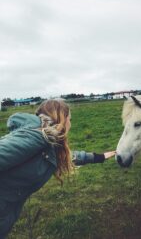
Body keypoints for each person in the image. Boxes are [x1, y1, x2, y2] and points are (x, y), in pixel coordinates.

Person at [0, 100, 115, 238]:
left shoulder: (48, 142)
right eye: (69, 119)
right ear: (61, 119)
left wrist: (99, 157)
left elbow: (64, 157)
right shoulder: (36, 137)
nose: (71, 124)